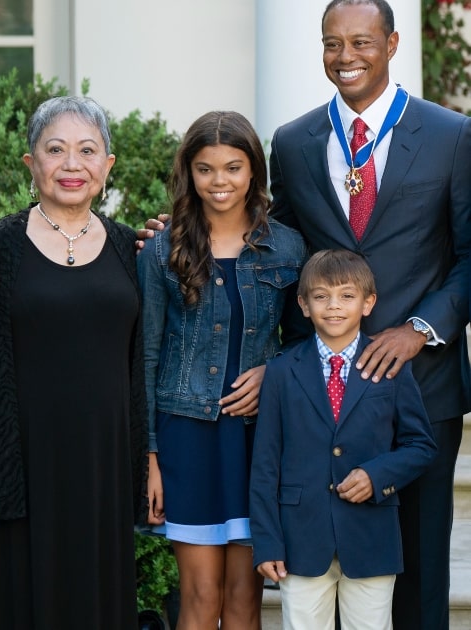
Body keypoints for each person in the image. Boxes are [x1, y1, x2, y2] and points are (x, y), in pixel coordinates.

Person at [140, 1, 471, 627]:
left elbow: (469, 254)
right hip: (316, 400)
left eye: (361, 42)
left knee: (420, 570)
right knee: (316, 562)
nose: (345, 57)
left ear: (393, 43)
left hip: (421, 387)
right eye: (331, 44)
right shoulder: (293, 142)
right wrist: (183, 232)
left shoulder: (452, 136)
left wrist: (421, 328)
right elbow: (273, 254)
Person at [0, 95, 148, 629]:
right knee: (26, 593)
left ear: (107, 166)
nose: (72, 165)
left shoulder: (129, 247)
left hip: (105, 461)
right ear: (31, 163)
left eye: (88, 151)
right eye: (56, 150)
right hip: (26, 459)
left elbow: (142, 354)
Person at [137, 110, 307, 629]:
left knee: (244, 602)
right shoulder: (163, 249)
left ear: (254, 170)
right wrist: (150, 457)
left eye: (233, 168)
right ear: (189, 172)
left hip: (260, 441)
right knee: (200, 599)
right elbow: (146, 353)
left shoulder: (286, 246)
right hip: (185, 436)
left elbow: (307, 344)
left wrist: (271, 373)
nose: (219, 182)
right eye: (205, 169)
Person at [249, 249, 437, 630]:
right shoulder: (281, 372)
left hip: (372, 540)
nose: (333, 307)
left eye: (347, 296)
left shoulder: (391, 366)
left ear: (368, 303)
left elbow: (421, 446)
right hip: (301, 541)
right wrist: (267, 543)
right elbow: (265, 464)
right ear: (303, 304)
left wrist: (377, 476)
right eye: (321, 296)